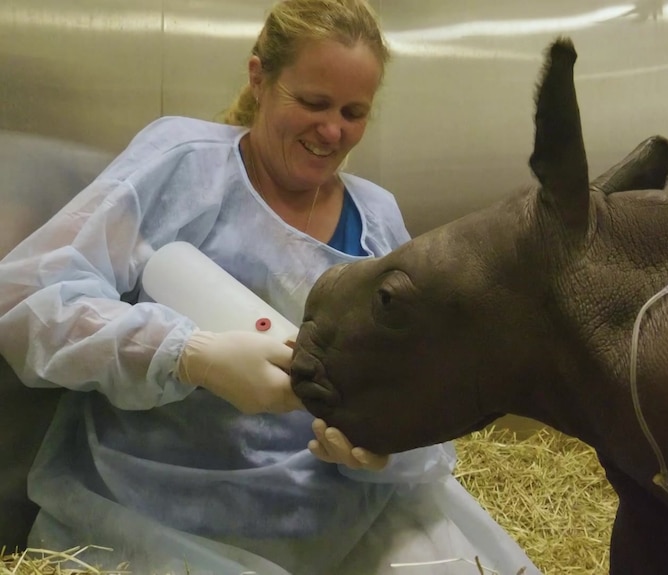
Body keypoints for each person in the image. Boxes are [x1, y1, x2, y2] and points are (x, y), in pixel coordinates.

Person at [0, 1, 541, 574]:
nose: (333, 130)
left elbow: (424, 381)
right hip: (159, 507)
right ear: (260, 78)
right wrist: (188, 355)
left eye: (354, 112)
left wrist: (381, 443)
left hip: (342, 513)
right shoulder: (184, 167)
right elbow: (28, 300)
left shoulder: (378, 220)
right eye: (312, 102)